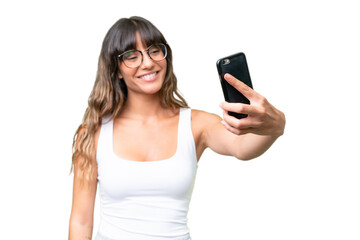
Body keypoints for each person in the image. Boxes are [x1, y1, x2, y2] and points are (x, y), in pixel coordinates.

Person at [68, 16, 285, 240]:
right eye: (132, 56)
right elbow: (81, 222)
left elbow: (242, 147)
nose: (147, 63)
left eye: (154, 50)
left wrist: (276, 125)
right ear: (117, 70)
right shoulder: (93, 132)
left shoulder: (195, 124)